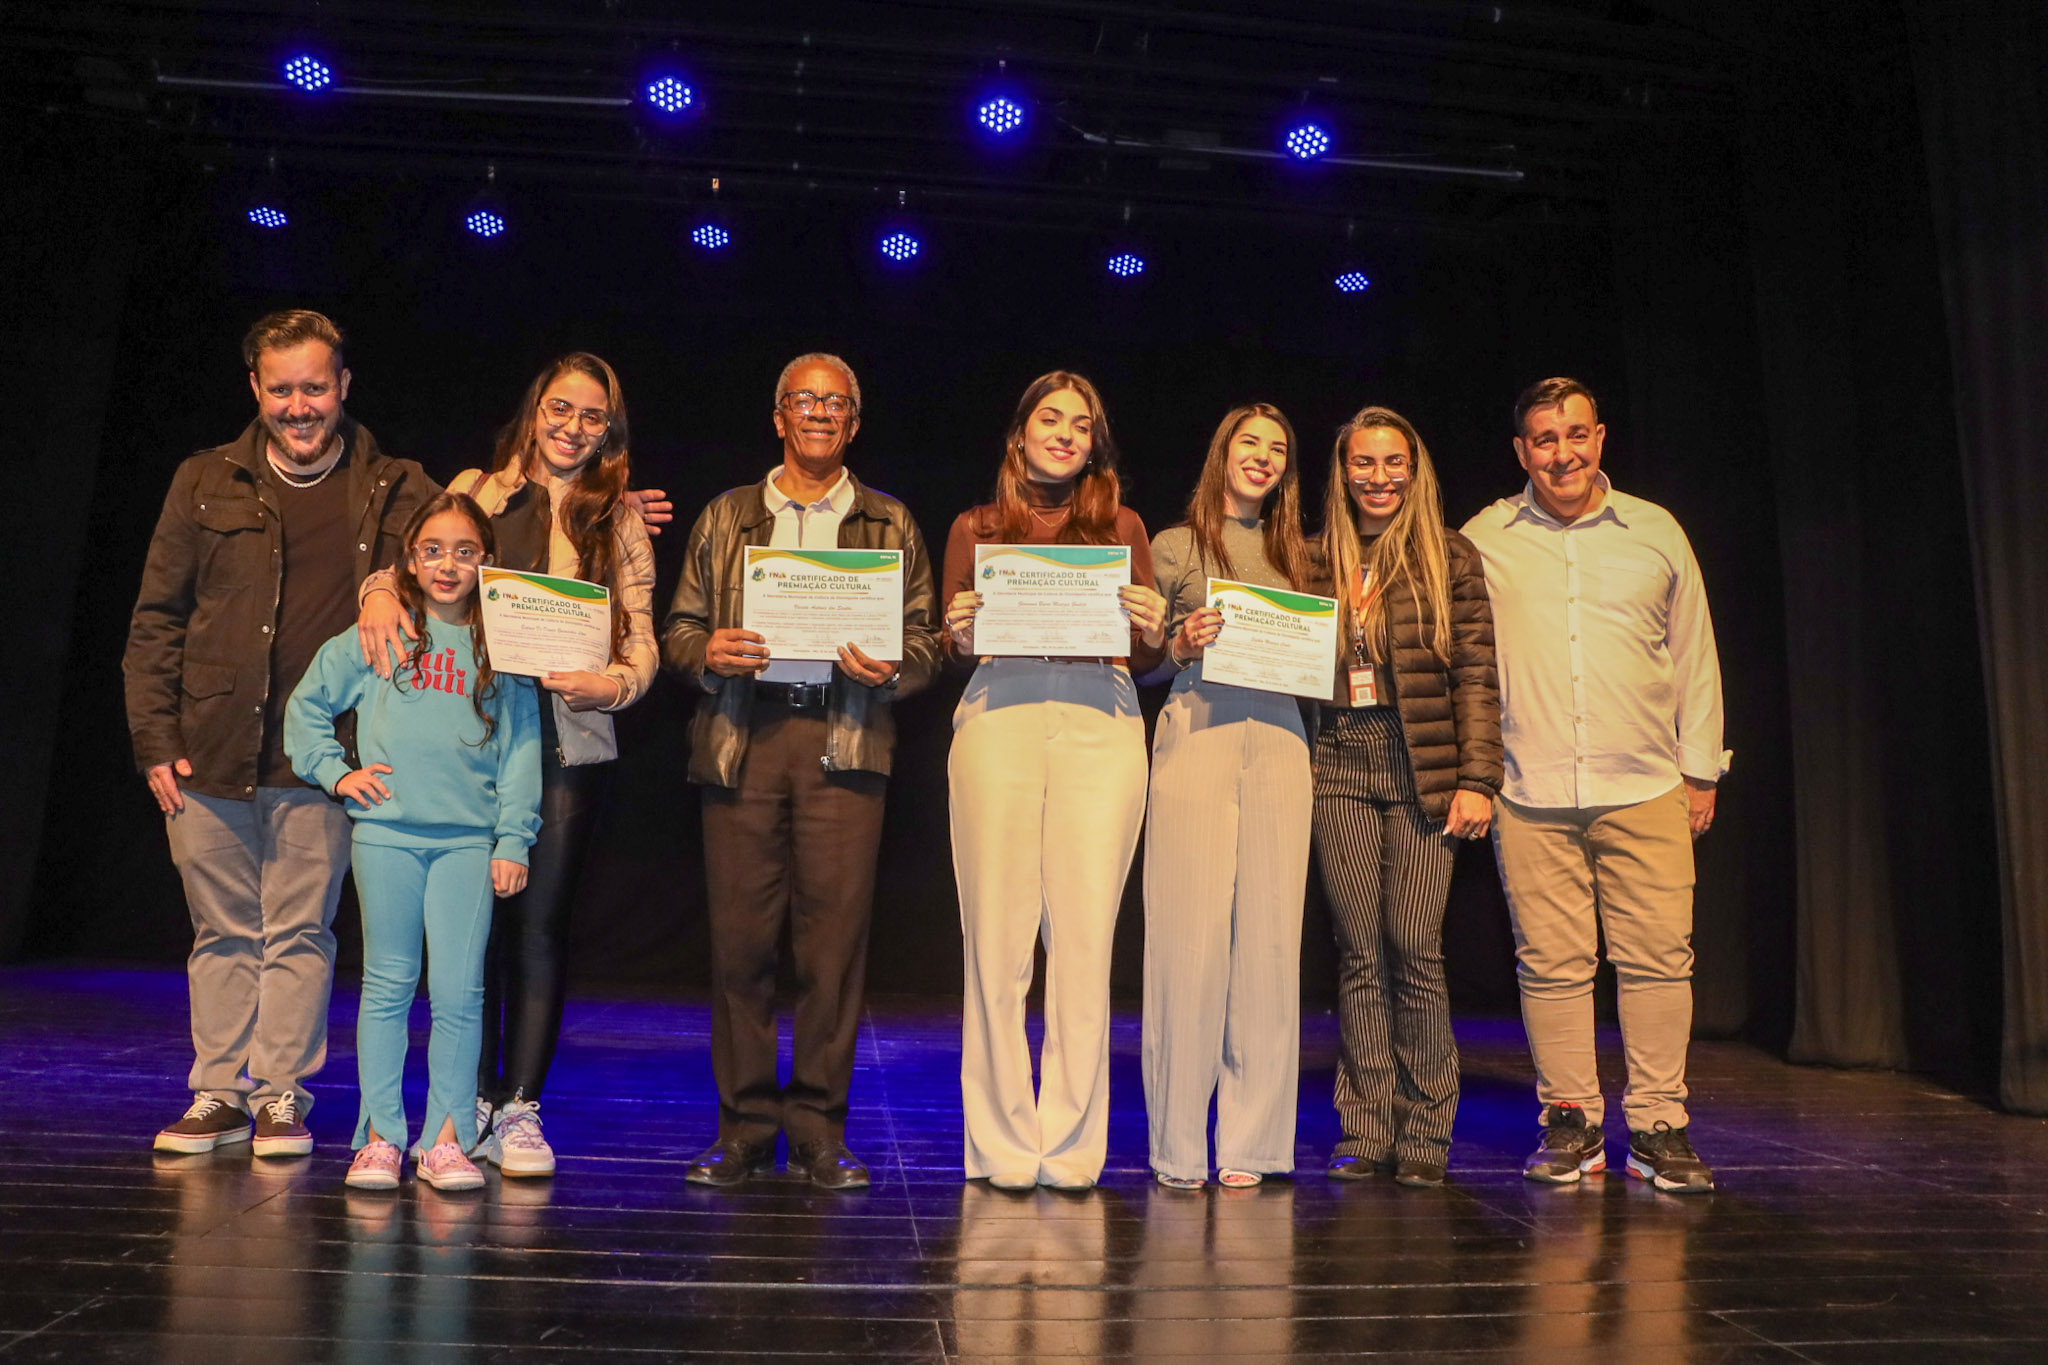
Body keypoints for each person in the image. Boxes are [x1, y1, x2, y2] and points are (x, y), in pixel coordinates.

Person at [126, 310, 439, 1159]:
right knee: (222, 931)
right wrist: (154, 738)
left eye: (315, 387)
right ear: (256, 389)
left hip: (328, 754)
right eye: (281, 389)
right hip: (209, 748)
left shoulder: (396, 485)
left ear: (343, 386)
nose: (299, 406)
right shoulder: (205, 480)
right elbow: (157, 619)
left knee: (301, 931)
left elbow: (474, 534)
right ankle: (218, 1093)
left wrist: (600, 505)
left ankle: (280, 1096)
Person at [355, 354, 657, 1178]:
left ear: (609, 431)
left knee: (538, 924)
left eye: (592, 417)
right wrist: (378, 588)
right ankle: (469, 1101)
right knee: (470, 932)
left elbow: (643, 641)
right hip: (468, 740)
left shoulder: (618, 516)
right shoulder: (478, 490)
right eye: (560, 408)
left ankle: (519, 1104)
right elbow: (414, 566)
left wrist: (612, 685)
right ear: (533, 409)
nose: (572, 427)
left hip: (563, 739)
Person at [661, 352, 941, 1190]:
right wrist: (707, 651)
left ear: (854, 423)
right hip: (744, 738)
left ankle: (820, 1127)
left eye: (836, 402)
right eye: (804, 399)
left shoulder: (889, 520)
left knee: (833, 949)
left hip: (845, 740)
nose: (820, 412)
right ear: (778, 416)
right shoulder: (726, 515)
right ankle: (744, 1128)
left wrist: (894, 667)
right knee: (740, 944)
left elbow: (927, 639)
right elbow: (679, 629)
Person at [1462, 376, 1728, 1194]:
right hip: (1529, 787)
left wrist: (1700, 769)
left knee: (1659, 960)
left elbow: (1694, 653)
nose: (1563, 453)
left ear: (1600, 438)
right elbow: (1461, 658)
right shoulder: (1484, 537)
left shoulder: (1656, 530)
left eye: (1576, 434)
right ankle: (1571, 1123)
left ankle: (1658, 1125)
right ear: (1521, 451)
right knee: (1551, 965)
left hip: (1645, 783)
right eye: (1545, 439)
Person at [942, 370, 1169, 1191]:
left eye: (1082, 424)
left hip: (1100, 717)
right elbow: (952, 647)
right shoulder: (976, 527)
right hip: (999, 711)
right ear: (1021, 433)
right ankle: (1001, 1143)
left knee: (1082, 940)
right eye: (1051, 418)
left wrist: (1154, 630)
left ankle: (1071, 1146)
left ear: (1094, 445)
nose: (1066, 434)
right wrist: (956, 629)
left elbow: (1145, 654)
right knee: (995, 940)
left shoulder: (1123, 526)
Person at [286, 492, 542, 1191]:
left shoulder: (501, 647)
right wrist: (338, 774)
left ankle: (447, 1140)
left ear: (487, 561)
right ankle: (379, 1137)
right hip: (386, 836)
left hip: (468, 844)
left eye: (465, 551)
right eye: (433, 550)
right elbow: (307, 707)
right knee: (387, 985)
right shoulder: (381, 632)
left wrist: (513, 839)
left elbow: (523, 749)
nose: (447, 565)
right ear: (410, 558)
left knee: (459, 991)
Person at [1311, 405, 1501, 1189]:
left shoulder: (1450, 555)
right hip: (1336, 760)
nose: (1379, 477)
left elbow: (1478, 675)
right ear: (1342, 469)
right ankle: (1365, 1125)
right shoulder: (1313, 556)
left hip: (1420, 763)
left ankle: (1426, 1127)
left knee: (1413, 946)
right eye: (1364, 461)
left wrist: (1478, 780)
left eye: (1394, 462)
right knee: (1359, 952)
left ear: (1414, 470)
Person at [1141, 403, 1317, 1191]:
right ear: (1222, 452)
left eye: (1277, 448)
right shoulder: (1174, 544)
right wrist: (1178, 644)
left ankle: (1253, 1142)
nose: (1264, 456)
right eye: (1250, 442)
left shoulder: (1300, 552)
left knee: (1272, 940)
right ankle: (1178, 1145)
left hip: (1281, 735)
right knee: (1189, 938)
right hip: (1199, 727)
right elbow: (1141, 658)